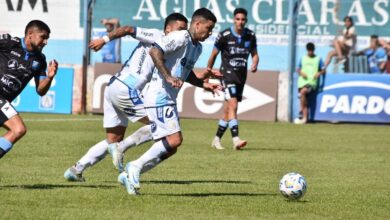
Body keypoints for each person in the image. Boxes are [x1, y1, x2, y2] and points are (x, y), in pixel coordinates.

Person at [63, 13, 190, 181]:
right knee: (162, 127)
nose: (184, 33)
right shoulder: (157, 36)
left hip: (114, 87)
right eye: (180, 29)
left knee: (112, 139)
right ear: (168, 28)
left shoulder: (174, 47)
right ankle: (122, 149)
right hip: (126, 89)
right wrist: (104, 40)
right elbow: (128, 29)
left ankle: (76, 169)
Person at [119, 8, 220, 195]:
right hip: (159, 95)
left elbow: (185, 72)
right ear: (197, 24)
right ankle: (134, 166)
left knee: (170, 148)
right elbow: (155, 51)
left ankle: (131, 172)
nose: (210, 33)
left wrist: (203, 84)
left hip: (168, 98)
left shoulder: (197, 47)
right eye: (208, 28)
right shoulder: (181, 37)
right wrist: (167, 76)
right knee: (174, 140)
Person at [0, 20, 58, 159]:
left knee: (17, 130)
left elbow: (40, 91)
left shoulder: (40, 60)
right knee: (18, 129)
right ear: (30, 34)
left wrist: (49, 77)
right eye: (43, 37)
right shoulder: (8, 43)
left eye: (47, 38)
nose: (45, 42)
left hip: (4, 101)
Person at [207, 8, 259, 150]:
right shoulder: (225, 35)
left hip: (241, 77)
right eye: (237, 19)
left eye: (242, 19)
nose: (240, 22)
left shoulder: (251, 35)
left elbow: (254, 53)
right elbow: (213, 54)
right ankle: (236, 139)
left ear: (246, 20)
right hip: (226, 75)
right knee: (233, 105)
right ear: (233, 19)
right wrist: (208, 72)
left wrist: (255, 63)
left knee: (228, 110)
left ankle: (216, 140)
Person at [294, 42, 325, 124]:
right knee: (302, 96)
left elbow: (323, 69)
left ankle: (303, 117)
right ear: (307, 50)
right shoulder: (303, 58)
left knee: (303, 92)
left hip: (312, 82)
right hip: (301, 82)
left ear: (313, 50)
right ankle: (302, 114)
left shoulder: (318, 59)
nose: (310, 52)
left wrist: (319, 73)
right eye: (309, 51)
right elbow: (297, 68)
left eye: (311, 51)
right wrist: (301, 72)